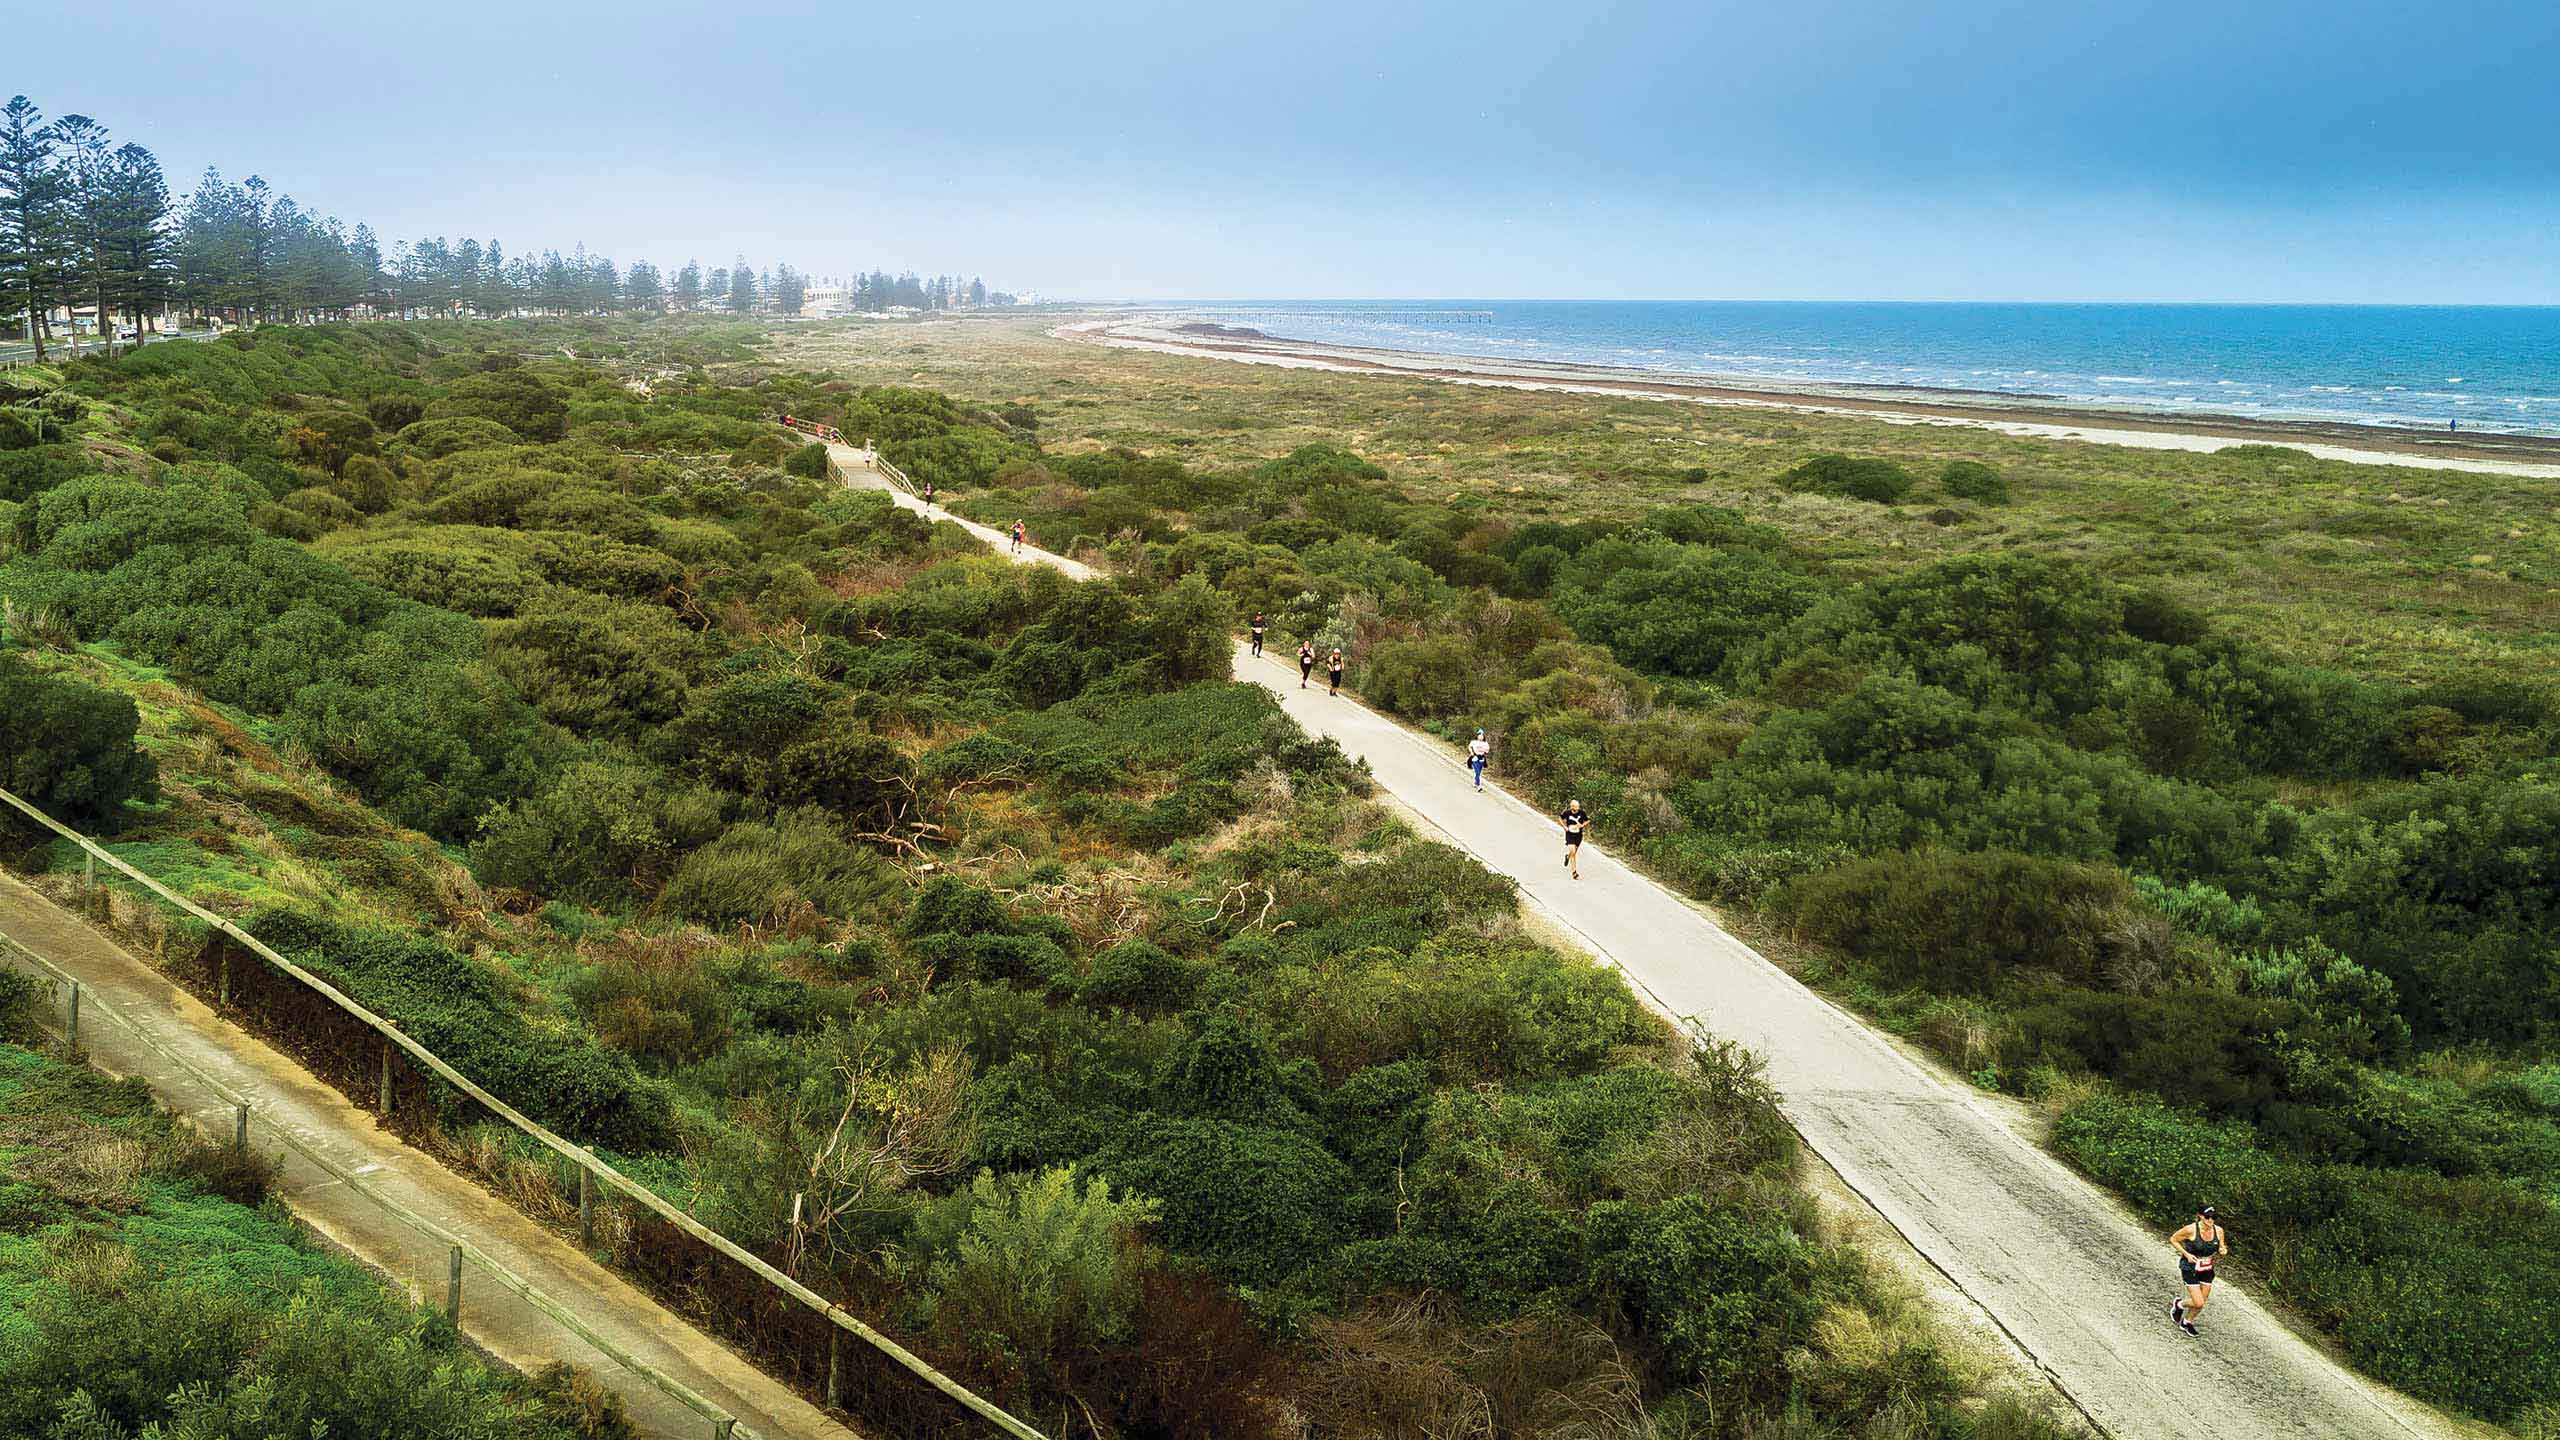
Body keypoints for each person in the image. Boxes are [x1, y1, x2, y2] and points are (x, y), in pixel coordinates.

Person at [2168, 1206, 2227, 1335]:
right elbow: (2173, 1239)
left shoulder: (2219, 1231)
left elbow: (2222, 1246)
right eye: (2207, 1217)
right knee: (2198, 1302)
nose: (2211, 1220)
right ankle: (2179, 1305)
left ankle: (2187, 1322)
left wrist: (2223, 1250)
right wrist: (2186, 1254)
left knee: (2202, 1301)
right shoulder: (2190, 1229)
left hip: (2206, 1267)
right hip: (2190, 1267)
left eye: (2214, 1217)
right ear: (2200, 1216)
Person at [1560, 800, 1588, 878]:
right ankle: (1574, 872)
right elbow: (1560, 818)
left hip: (1578, 835)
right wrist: (1564, 826)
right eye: (1576, 807)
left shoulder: (1582, 813)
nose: (1578, 808)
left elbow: (1587, 820)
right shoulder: (1567, 812)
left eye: (1578, 806)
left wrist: (1582, 825)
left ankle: (1567, 857)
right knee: (1572, 851)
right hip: (1570, 834)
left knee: (1573, 852)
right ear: (1572, 807)